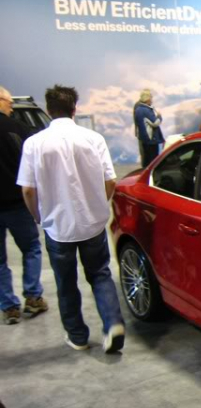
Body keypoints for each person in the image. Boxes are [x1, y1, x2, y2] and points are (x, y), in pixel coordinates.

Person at [17, 85, 125, 353]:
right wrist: (100, 205)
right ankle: (112, 323)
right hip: (93, 223)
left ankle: (77, 336)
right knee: (100, 274)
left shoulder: (34, 143)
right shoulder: (94, 138)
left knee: (66, 283)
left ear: (48, 110)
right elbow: (110, 180)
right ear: (74, 109)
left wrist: (38, 216)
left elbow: (28, 189)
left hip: (57, 227)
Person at [0, 86, 47, 325]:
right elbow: (32, 170)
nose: (11, 106)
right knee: (31, 249)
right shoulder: (18, 129)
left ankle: (9, 308)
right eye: (9, 102)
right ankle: (33, 297)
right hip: (17, 204)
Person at [133, 88, 164, 168]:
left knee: (146, 160)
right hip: (151, 140)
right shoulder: (146, 110)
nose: (152, 100)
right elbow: (155, 123)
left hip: (144, 139)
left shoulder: (138, 108)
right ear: (148, 98)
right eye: (151, 97)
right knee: (153, 162)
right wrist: (159, 117)